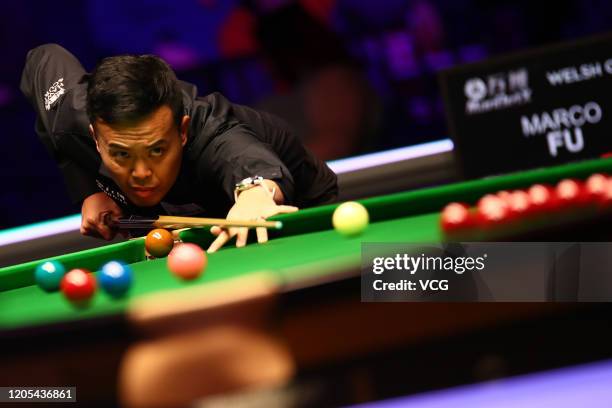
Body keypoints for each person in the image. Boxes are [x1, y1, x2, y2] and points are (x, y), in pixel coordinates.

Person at [20, 44, 338, 252]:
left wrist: (256, 194)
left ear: (182, 132)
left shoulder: (210, 132)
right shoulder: (69, 116)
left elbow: (243, 158)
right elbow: (42, 58)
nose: (141, 174)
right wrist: (88, 189)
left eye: (157, 150)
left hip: (293, 206)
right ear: (95, 136)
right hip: (185, 216)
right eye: (121, 154)